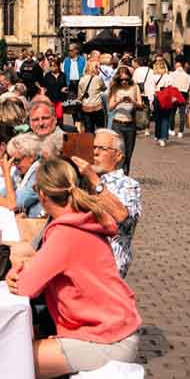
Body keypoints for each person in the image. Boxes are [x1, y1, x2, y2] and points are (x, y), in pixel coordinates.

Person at [6, 157, 141, 379]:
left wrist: (15, 270)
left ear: (41, 195)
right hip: (115, 328)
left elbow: (26, 287)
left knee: (14, 356)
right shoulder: (81, 220)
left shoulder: (64, 233)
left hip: (106, 338)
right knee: (32, 340)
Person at [71, 129, 141, 277]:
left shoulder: (128, 184)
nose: (95, 153)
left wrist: (94, 179)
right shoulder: (82, 180)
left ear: (118, 156)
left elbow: (123, 217)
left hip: (106, 268)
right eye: (93, 148)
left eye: (102, 149)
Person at [0, 132, 44, 218]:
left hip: (34, 224)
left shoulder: (39, 174)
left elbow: (13, 205)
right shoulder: (20, 171)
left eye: (17, 160)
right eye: (12, 160)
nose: (14, 164)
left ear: (31, 156)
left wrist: (6, 173)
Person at [107, 66, 142, 174]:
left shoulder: (134, 87)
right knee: (120, 153)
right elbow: (110, 107)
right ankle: (119, 175)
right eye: (122, 80)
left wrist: (132, 101)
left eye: (126, 79)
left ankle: (125, 175)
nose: (124, 82)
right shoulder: (115, 88)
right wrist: (119, 101)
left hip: (130, 125)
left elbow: (140, 105)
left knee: (128, 153)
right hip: (117, 124)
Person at [77, 61, 106, 134]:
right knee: (100, 128)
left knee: (88, 129)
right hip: (97, 107)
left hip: (86, 107)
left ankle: (89, 144)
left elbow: (80, 95)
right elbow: (104, 88)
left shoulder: (82, 79)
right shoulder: (98, 78)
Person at [166, 60, 190, 137]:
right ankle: (181, 131)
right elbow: (188, 88)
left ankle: (172, 129)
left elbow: (169, 85)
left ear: (176, 66)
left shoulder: (171, 74)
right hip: (183, 94)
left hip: (174, 94)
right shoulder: (187, 76)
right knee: (182, 113)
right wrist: (189, 99)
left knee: (172, 113)